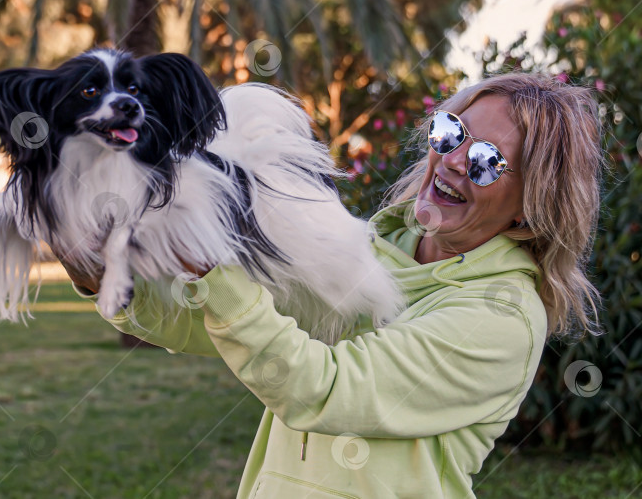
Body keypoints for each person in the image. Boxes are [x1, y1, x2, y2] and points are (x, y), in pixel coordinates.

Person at [75, 73, 604, 497]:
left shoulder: (501, 318)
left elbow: (324, 389)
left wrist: (212, 269)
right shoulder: (371, 248)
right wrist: (108, 278)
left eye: (489, 162)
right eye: (451, 133)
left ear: (530, 216)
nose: (455, 159)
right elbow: (223, 321)